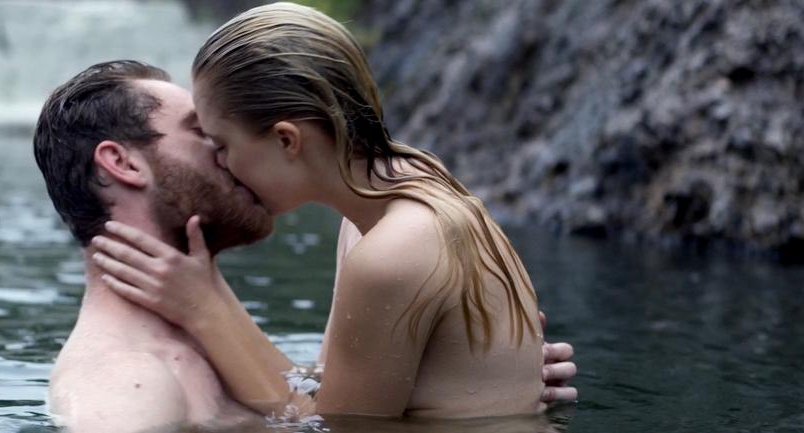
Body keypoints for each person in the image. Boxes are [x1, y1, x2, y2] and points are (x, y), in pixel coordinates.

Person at [92, 1, 577, 421]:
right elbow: (328, 386)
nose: (221, 165)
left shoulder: (392, 250)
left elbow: (331, 427)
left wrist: (203, 307)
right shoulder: (398, 193)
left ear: (287, 140)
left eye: (222, 145)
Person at [34, 60, 270, 432]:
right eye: (200, 131)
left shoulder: (216, 345)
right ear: (122, 163)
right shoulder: (125, 383)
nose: (227, 151)